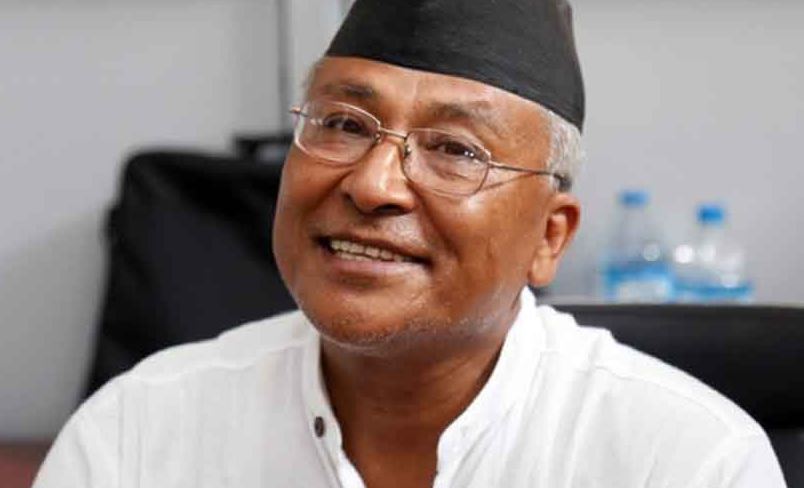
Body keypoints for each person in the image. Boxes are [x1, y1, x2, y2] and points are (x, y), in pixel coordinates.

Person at [34, 0, 786, 487]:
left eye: (456, 150)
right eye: (343, 124)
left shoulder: (686, 461)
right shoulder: (138, 436)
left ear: (548, 237)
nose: (373, 184)